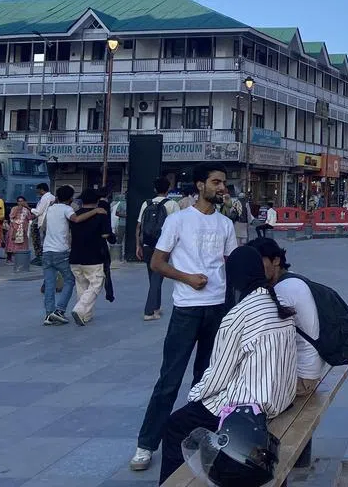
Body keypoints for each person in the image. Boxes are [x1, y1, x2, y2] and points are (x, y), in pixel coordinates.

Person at [157, 247, 298, 485]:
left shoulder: (238, 315)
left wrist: (195, 396)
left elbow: (217, 377)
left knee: (175, 426)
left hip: (248, 407)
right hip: (279, 400)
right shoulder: (278, 306)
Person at [130, 163, 238, 473]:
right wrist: (187, 278)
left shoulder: (225, 225)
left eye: (223, 183)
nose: (221, 188)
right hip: (187, 308)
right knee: (169, 380)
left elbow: (230, 265)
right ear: (200, 185)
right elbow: (157, 262)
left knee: (208, 380)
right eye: (216, 182)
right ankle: (146, 444)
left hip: (218, 310)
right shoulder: (178, 220)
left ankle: (198, 440)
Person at [250, 237, 326, 394]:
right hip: (311, 367)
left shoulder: (283, 290)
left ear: (276, 260)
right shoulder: (293, 279)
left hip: (302, 377)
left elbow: (271, 340)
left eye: (259, 262)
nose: (254, 268)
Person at [41, 185, 101, 326]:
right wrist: (95, 211)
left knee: (49, 283)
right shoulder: (67, 209)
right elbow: (76, 220)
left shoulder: (50, 209)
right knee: (69, 280)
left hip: (47, 251)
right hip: (60, 251)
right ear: (70, 198)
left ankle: (49, 314)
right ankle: (60, 310)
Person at [67, 188, 116, 326]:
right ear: (97, 200)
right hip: (94, 256)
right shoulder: (101, 214)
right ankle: (80, 309)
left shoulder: (75, 215)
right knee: (96, 284)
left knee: (81, 285)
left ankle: (86, 316)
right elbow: (106, 235)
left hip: (75, 256)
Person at [136, 176, 181, 321]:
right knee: (157, 278)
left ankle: (156, 306)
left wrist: (138, 245)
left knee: (153, 277)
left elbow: (139, 226)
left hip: (147, 244)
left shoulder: (146, 203)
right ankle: (149, 312)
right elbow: (178, 227)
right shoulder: (172, 205)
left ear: (155, 189)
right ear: (168, 189)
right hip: (163, 247)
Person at [33, 182, 55, 265]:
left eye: (38, 190)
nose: (37, 192)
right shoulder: (52, 197)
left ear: (41, 190)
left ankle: (44, 259)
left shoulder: (45, 198)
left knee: (43, 241)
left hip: (43, 222)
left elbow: (38, 212)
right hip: (50, 222)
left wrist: (28, 207)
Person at [7, 196, 34, 262]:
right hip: (14, 228)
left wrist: (35, 213)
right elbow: (11, 216)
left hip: (23, 228)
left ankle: (21, 258)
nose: (20, 202)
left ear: (24, 202)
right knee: (12, 242)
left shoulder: (26, 210)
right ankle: (9, 258)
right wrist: (18, 210)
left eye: (22, 201)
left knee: (22, 243)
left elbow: (30, 217)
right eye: (19, 201)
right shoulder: (14, 208)